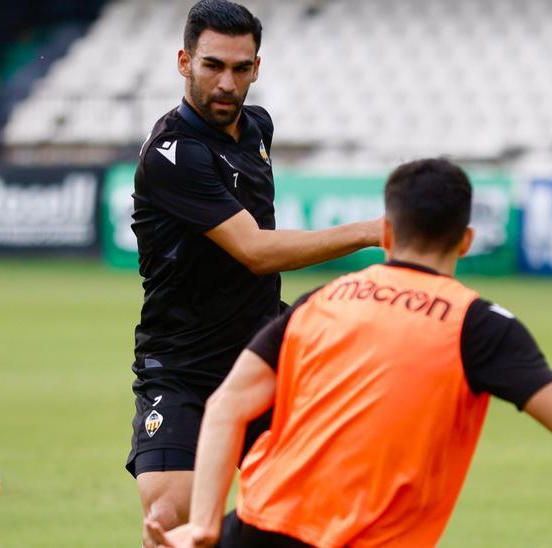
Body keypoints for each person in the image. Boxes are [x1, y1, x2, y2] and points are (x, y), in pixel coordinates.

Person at [145, 158, 552, 548]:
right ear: (466, 241)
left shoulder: (318, 302)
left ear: (386, 233)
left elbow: (227, 405)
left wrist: (207, 526)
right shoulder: (477, 324)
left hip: (256, 530)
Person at [128, 0, 381, 542]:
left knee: (333, 509)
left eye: (241, 69)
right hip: (184, 365)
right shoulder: (172, 154)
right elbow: (256, 251)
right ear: (183, 61)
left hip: (264, 358)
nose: (227, 83)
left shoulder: (257, 127)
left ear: (257, 69)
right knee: (170, 520)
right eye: (212, 65)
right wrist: (368, 231)